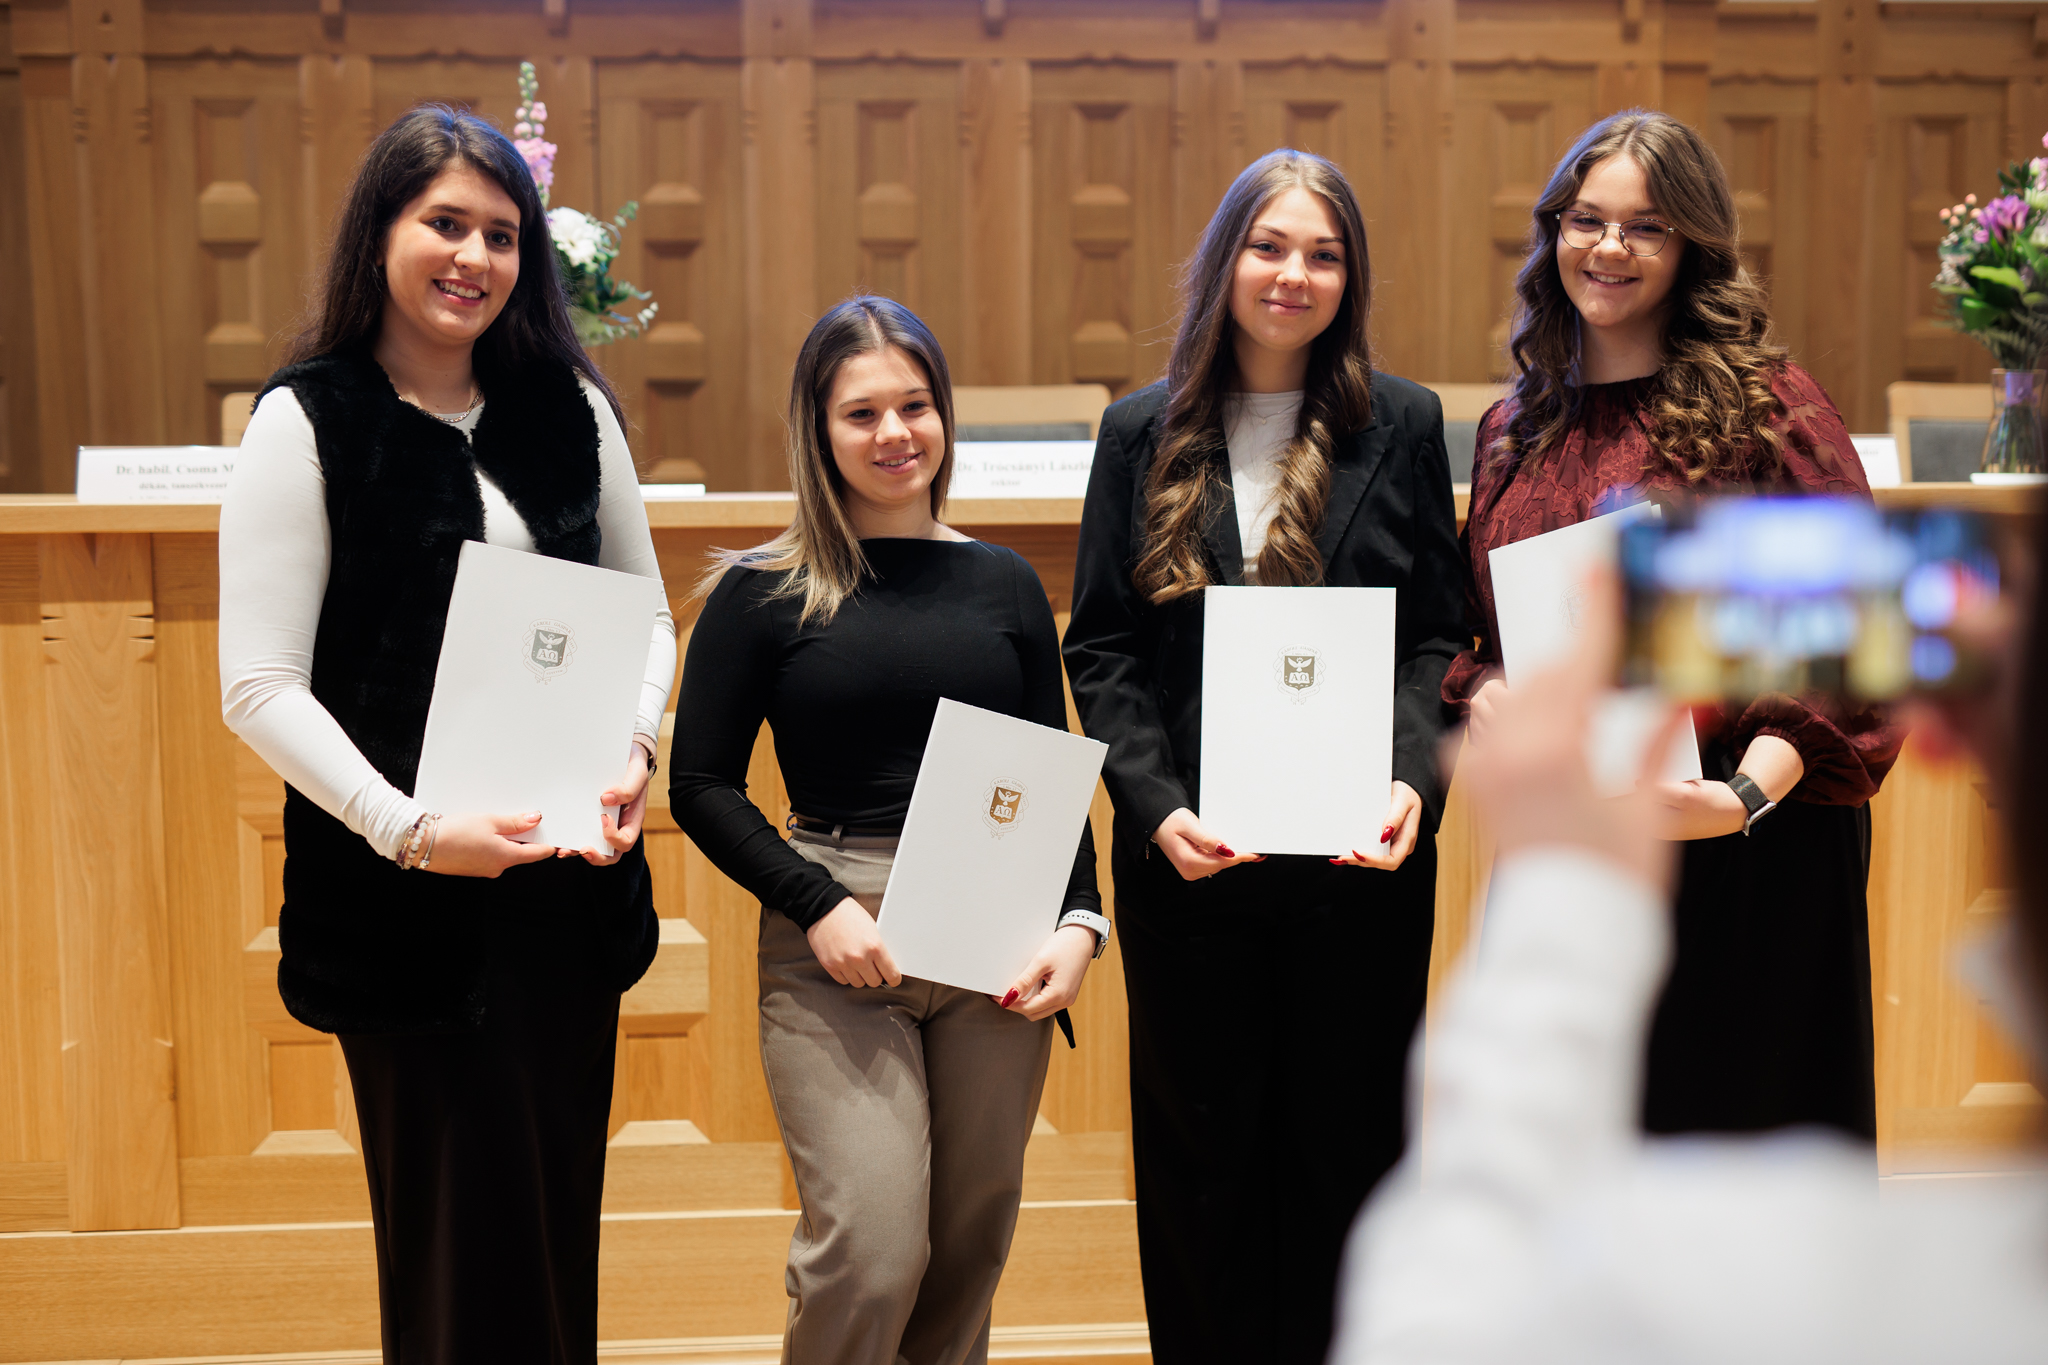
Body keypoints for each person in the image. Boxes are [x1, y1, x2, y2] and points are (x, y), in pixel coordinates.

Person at [1331, 540, 2048, 1364]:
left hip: (1749, 863)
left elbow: (1457, 1289)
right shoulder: (1923, 1298)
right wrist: (1490, 685)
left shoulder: (1793, 1290)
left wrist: (1567, 895)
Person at [218, 105, 675, 1363]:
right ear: (380, 231)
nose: (474, 256)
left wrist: (636, 748)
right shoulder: (308, 419)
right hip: (402, 910)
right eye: (445, 224)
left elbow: (646, 615)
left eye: (501, 233)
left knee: (549, 1246)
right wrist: (413, 833)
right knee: (453, 1266)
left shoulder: (565, 408)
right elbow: (257, 685)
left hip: (564, 900)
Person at [1062, 149, 1466, 1364]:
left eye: (1322, 254)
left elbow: (1436, 634)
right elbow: (1104, 647)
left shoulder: (1401, 423)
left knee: (1352, 1160)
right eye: (1269, 246)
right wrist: (1152, 808)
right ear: (1224, 260)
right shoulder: (1139, 431)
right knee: (1203, 1168)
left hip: (1359, 865)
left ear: (1350, 278)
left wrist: (1412, 780)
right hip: (1194, 862)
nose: (1294, 274)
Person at [1444, 109, 1904, 1141]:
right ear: (1552, 232)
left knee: (1741, 1174)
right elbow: (1480, 636)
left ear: (1692, 242)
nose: (1608, 248)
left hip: (1746, 844)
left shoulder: (1766, 407)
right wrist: (1489, 692)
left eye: (1645, 226)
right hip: (1578, 848)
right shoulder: (1514, 429)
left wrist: (1740, 796)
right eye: (1585, 219)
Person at [666, 295, 1108, 1365]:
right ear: (818, 430)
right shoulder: (761, 591)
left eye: (915, 406)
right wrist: (817, 904)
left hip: (996, 934)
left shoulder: (1004, 582)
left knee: (967, 1243)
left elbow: (1045, 773)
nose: (894, 433)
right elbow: (701, 785)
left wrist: (1080, 923)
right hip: (837, 936)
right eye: (861, 413)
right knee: (869, 1249)